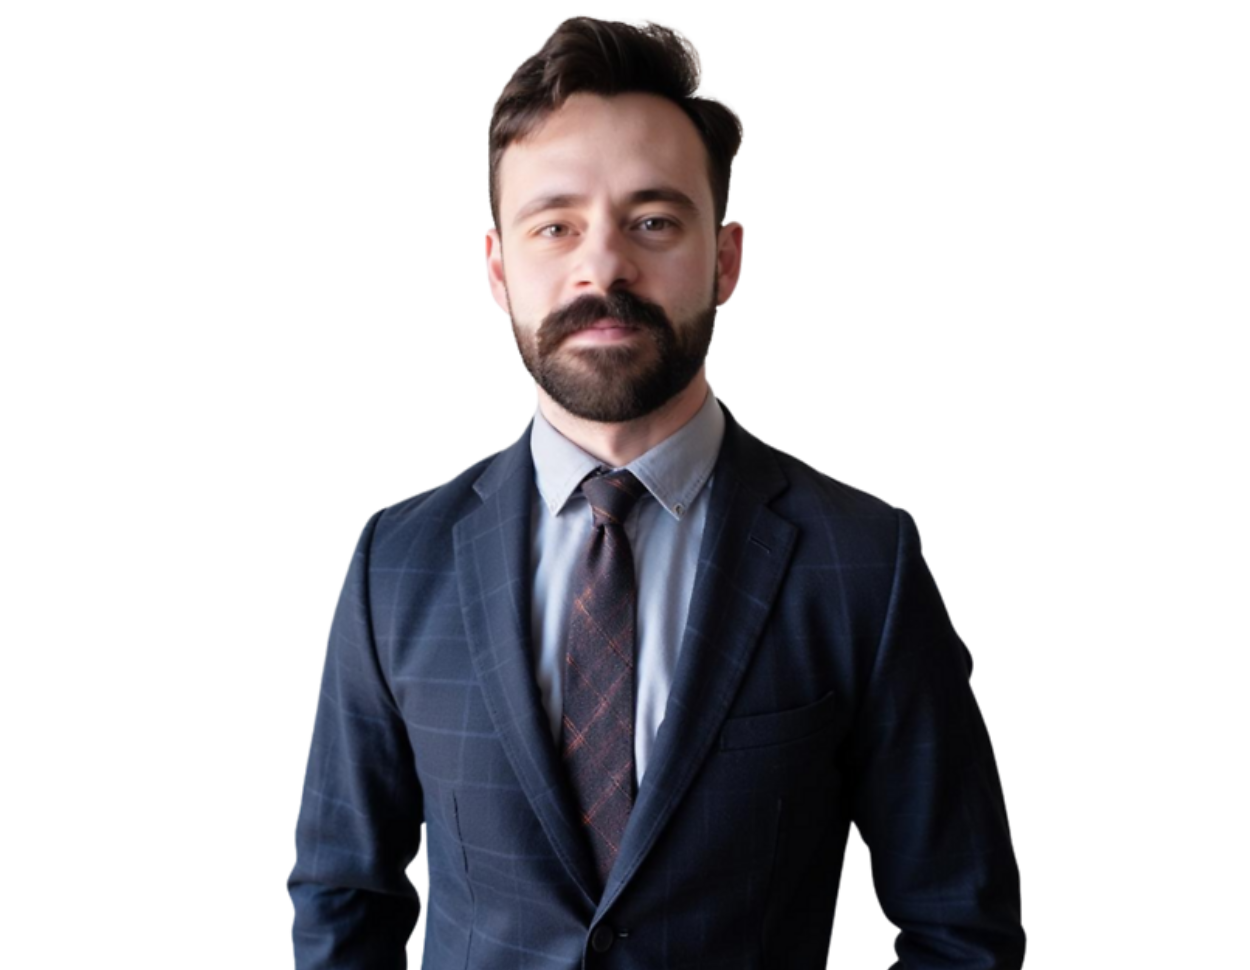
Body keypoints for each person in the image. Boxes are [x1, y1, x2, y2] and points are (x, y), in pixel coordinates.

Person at [287, 14, 1025, 969]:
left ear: (725, 259)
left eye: (653, 221)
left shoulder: (864, 559)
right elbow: (341, 901)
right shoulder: (396, 559)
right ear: (498, 270)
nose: (604, 267)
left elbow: (959, 926)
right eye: (556, 225)